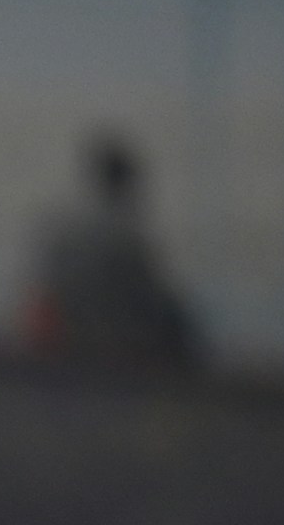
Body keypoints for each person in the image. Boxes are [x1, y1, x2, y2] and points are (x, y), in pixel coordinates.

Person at [21, 129, 208, 371]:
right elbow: (154, 301)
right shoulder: (128, 239)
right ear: (127, 184)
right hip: (116, 353)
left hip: (65, 349)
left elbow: (41, 299)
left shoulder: (60, 227)